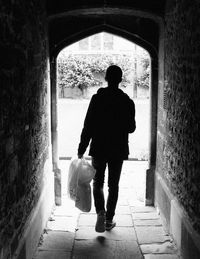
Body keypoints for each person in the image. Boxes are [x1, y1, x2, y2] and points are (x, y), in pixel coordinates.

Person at [77, 65, 136, 232]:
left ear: (106, 78)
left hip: (99, 147)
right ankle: (109, 219)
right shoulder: (127, 102)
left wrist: (82, 147)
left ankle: (100, 214)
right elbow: (131, 128)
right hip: (118, 148)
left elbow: (88, 125)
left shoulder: (97, 99)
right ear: (120, 79)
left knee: (98, 182)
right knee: (113, 185)